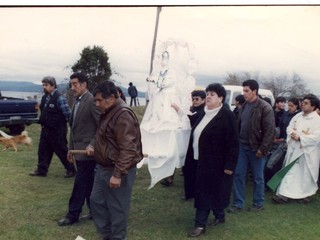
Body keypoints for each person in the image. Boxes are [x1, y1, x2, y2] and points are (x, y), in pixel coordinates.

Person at [90, 80, 143, 240]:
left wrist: (118, 174)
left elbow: (128, 149)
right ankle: (106, 235)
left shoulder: (122, 115)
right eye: (96, 100)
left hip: (117, 169)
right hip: (103, 168)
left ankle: (117, 237)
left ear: (111, 97)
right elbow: (103, 135)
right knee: (96, 201)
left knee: (117, 208)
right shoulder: (109, 111)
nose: (97, 104)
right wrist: (93, 145)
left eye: (99, 100)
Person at [186, 83, 239, 238]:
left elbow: (233, 143)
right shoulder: (203, 113)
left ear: (221, 98)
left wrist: (230, 164)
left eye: (212, 94)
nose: (208, 96)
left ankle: (200, 225)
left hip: (215, 163)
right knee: (212, 191)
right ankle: (219, 215)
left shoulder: (227, 116)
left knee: (205, 192)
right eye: (207, 93)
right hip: (198, 160)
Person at [58, 73, 100, 226]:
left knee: (80, 184)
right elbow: (74, 128)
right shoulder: (77, 101)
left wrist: (93, 145)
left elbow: (101, 127)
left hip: (88, 153)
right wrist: (70, 150)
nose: (72, 87)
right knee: (88, 183)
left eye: (75, 84)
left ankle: (72, 215)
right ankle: (96, 212)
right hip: (78, 151)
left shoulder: (91, 101)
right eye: (71, 84)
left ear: (84, 85)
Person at [228, 79, 275, 213]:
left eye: (246, 91)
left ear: (255, 91)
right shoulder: (244, 106)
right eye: (243, 91)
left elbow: (270, 131)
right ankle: (238, 204)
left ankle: (258, 203)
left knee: (258, 177)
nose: (244, 93)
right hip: (242, 147)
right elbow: (240, 125)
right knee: (238, 175)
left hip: (257, 148)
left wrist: (262, 149)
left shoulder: (265, 107)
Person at [272, 94, 320, 204]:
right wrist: (293, 134)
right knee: (290, 172)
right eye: (302, 102)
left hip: (307, 153)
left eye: (306, 103)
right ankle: (283, 195)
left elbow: (317, 137)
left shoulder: (317, 120)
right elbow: (289, 128)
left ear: (313, 106)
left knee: (304, 175)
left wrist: (301, 138)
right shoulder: (298, 116)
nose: (302, 104)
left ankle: (304, 195)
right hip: (294, 149)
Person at [30, 76, 76, 177]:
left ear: (53, 86)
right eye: (43, 85)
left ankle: (71, 169)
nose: (44, 87)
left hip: (57, 131)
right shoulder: (45, 97)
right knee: (43, 150)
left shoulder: (60, 98)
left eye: (46, 85)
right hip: (45, 129)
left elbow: (68, 115)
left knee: (61, 151)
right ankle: (41, 170)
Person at [161, 89, 206, 187]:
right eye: (193, 99)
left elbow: (190, 119)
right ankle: (169, 178)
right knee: (175, 155)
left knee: (189, 163)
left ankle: (190, 186)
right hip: (186, 139)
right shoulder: (193, 108)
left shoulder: (203, 111)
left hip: (195, 141)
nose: (194, 101)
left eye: (197, 99)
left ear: (203, 100)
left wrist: (178, 109)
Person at [265, 97, 301, 186]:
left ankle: (273, 184)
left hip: (288, 143)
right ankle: (268, 183)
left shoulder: (298, 116)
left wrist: (284, 138)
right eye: (288, 105)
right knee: (270, 163)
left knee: (276, 164)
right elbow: (280, 127)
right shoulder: (286, 114)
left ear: (296, 106)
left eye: (291, 106)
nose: (289, 107)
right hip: (278, 141)